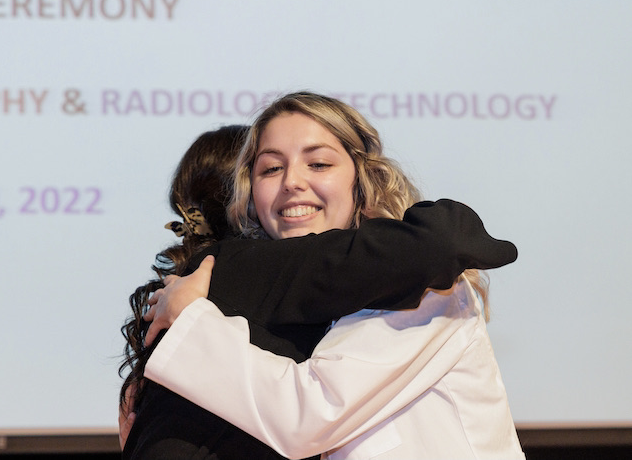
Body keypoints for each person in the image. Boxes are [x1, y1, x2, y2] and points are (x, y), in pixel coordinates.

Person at [120, 106, 518, 458]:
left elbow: (311, 413)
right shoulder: (272, 295)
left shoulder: (423, 286)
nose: (292, 181)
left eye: (319, 164)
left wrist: (192, 320)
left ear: (362, 178)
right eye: (271, 168)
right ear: (250, 196)